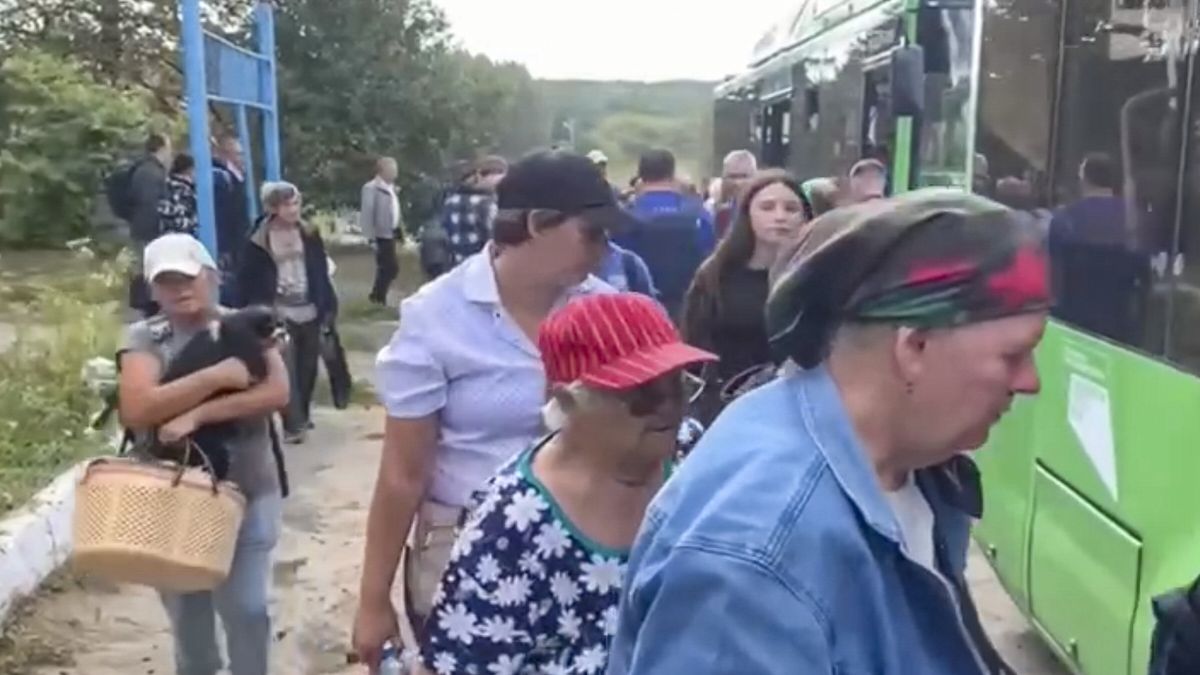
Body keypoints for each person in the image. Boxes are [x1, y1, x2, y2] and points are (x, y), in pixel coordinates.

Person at [608, 189, 1050, 674]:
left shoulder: (903, 462)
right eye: (1013, 355)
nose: (1031, 382)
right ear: (915, 347)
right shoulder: (755, 565)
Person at [352, 150, 634, 670]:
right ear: (534, 225)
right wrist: (373, 600)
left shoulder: (607, 311)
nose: (604, 249)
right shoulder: (437, 319)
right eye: (591, 233)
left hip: (587, 552)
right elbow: (402, 474)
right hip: (465, 552)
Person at [413, 293, 716, 675]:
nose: (668, 406)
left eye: (678, 384)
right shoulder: (511, 526)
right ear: (568, 401)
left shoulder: (693, 452)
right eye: (642, 394)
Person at [117, 233, 289, 675]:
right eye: (167, 281)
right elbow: (137, 408)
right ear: (152, 289)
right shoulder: (145, 336)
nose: (179, 289)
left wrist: (199, 414)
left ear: (211, 276)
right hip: (173, 499)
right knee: (190, 624)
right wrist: (217, 375)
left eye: (188, 277)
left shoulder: (249, 324)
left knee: (248, 610)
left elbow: (276, 391)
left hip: (247, 491)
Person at [681, 170, 812, 425]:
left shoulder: (819, 277)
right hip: (726, 411)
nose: (780, 216)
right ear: (747, 214)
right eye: (767, 207)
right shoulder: (715, 275)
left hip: (800, 411)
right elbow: (692, 348)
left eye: (790, 208)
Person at [234, 181, 337, 445]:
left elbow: (320, 272)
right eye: (286, 204)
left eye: (296, 203)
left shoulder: (309, 233)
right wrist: (252, 312)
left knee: (308, 367)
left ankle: (302, 412)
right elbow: (247, 279)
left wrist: (327, 304)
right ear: (272, 208)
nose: (293, 209)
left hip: (310, 307)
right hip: (279, 311)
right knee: (287, 368)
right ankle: (294, 423)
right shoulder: (258, 240)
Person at [616, 149, 716, 318]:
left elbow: (618, 266)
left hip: (638, 311)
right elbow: (711, 258)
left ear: (640, 176)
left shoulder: (624, 216)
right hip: (688, 308)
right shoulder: (698, 213)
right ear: (672, 174)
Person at [127, 132, 172, 317]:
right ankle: (149, 308)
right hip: (150, 230)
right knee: (149, 269)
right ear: (161, 148)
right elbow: (152, 203)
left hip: (141, 227)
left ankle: (149, 306)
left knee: (146, 268)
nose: (171, 153)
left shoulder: (143, 169)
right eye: (169, 147)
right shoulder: (152, 172)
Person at [441, 155, 508, 267]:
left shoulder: (450, 201)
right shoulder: (485, 204)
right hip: (485, 268)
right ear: (481, 176)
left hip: (459, 268)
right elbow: (499, 242)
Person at [361, 156, 404, 305]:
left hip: (390, 232)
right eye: (393, 169)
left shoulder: (391, 188)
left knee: (388, 267)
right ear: (382, 170)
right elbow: (367, 212)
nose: (395, 172)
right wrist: (370, 237)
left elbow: (395, 211)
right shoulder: (371, 188)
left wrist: (399, 231)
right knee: (390, 267)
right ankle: (377, 297)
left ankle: (378, 297)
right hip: (380, 234)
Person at [714, 150, 758, 239]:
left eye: (744, 176)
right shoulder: (722, 216)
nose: (737, 183)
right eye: (732, 176)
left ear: (755, 176)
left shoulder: (765, 211)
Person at [159, 153, 199, 237]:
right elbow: (185, 216)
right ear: (189, 170)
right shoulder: (185, 190)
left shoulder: (166, 186)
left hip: (167, 235)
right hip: (183, 236)